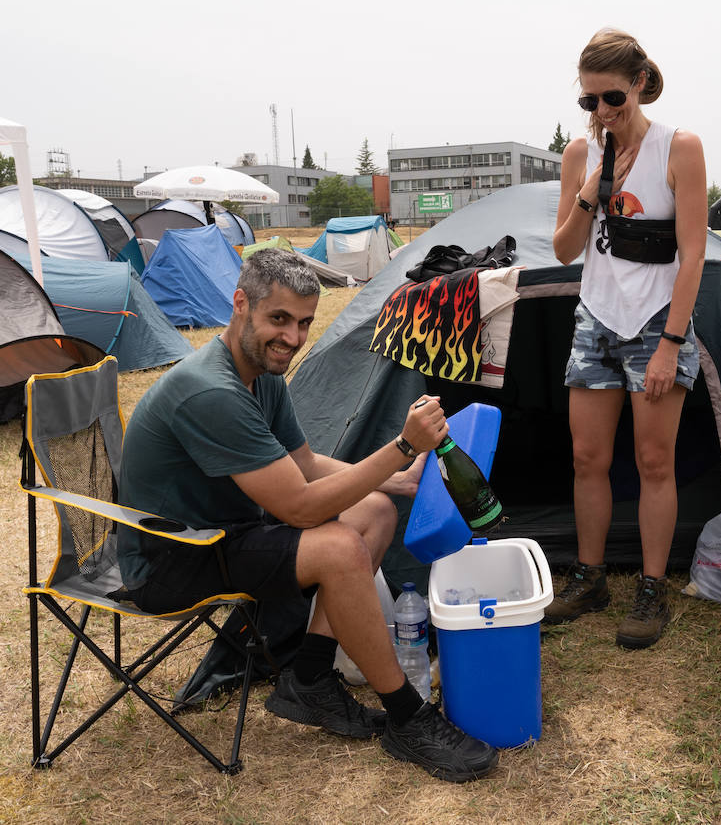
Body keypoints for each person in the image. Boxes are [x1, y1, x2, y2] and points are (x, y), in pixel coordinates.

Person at [116, 248, 497, 782]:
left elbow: (305, 463)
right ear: (241, 304)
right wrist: (403, 448)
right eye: (279, 319)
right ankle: (409, 718)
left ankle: (310, 679)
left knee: (375, 512)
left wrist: (400, 479)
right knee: (340, 549)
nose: (292, 339)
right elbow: (299, 505)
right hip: (175, 557)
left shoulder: (261, 373)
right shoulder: (210, 390)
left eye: (303, 324)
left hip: (228, 533)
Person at [547, 28, 708, 649]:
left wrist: (671, 342)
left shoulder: (679, 148)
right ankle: (588, 578)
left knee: (653, 461)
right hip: (596, 317)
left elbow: (692, 257)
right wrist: (594, 183)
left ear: (639, 83)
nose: (602, 112)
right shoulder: (579, 155)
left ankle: (650, 587)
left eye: (611, 97)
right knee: (587, 457)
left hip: (656, 322)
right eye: (589, 102)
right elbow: (564, 250)